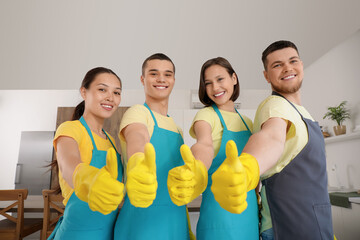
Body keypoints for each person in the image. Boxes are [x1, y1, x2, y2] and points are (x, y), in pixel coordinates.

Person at [211, 40, 334, 240]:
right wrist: (247, 167)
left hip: (315, 224)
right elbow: (271, 138)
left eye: (292, 61)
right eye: (277, 65)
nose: (287, 68)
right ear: (266, 76)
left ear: (301, 65)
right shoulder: (274, 106)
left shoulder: (304, 113)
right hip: (287, 226)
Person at [167, 57, 259, 239]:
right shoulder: (205, 115)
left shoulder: (247, 122)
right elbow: (204, 144)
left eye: (220, 79)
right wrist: (197, 167)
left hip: (249, 215)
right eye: (208, 83)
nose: (215, 88)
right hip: (219, 216)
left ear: (234, 78)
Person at [114, 53, 193, 240]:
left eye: (167, 74)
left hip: (176, 220)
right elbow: (138, 138)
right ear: (143, 79)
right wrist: (139, 164)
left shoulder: (177, 128)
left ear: (173, 80)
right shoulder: (138, 113)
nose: (161, 79)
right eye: (154, 73)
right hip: (142, 220)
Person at [50, 67, 124, 240]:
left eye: (116, 92)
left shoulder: (111, 141)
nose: (110, 97)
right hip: (77, 233)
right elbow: (69, 164)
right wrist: (86, 177)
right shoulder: (71, 129)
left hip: (107, 233)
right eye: (102, 89)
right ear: (84, 92)